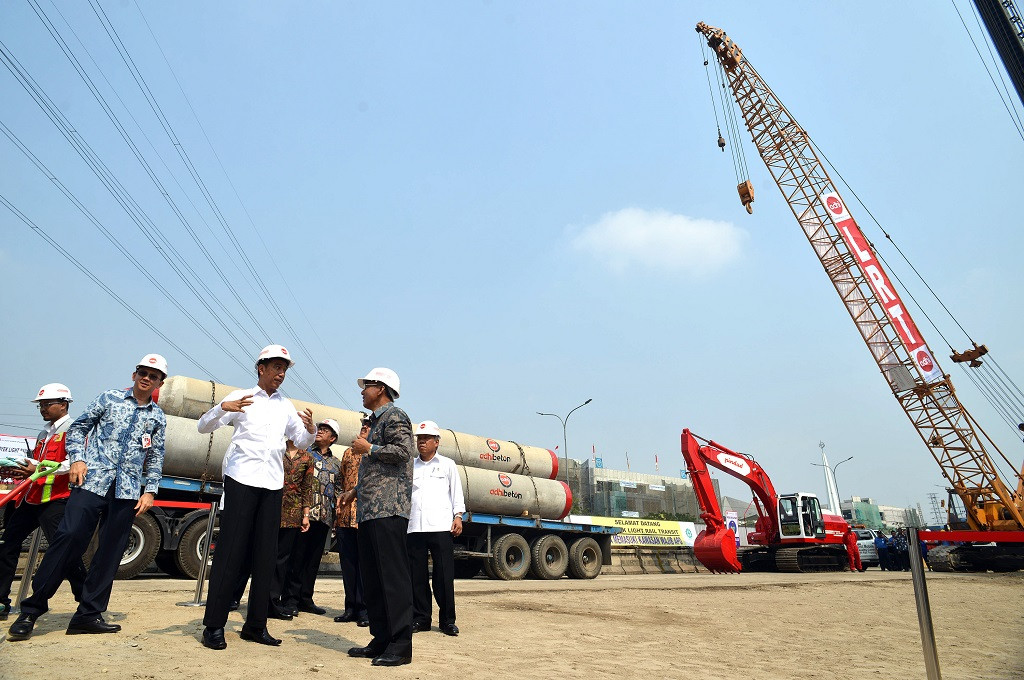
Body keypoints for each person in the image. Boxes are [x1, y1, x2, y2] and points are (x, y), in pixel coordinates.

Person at [7, 355, 168, 641]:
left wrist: (150, 490)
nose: (147, 378)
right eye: (143, 372)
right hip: (91, 482)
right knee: (68, 538)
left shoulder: (157, 417)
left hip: (127, 490)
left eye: (153, 376)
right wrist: (78, 459)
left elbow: (155, 455)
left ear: (160, 383)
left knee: (110, 553)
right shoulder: (109, 398)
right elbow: (79, 428)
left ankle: (88, 615)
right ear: (134, 375)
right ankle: (31, 611)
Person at [197, 344, 315, 650]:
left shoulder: (286, 406)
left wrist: (311, 430)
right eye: (276, 367)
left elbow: (301, 441)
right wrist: (223, 408)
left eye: (284, 369)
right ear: (261, 368)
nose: (281, 374)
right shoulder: (241, 397)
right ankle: (214, 626)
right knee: (231, 553)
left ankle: (256, 625)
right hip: (242, 480)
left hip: (272, 484)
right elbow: (202, 426)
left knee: (265, 557)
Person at [0, 384, 87, 620]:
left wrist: (37, 468)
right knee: (7, 544)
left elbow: (74, 464)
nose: (43, 409)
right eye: (41, 405)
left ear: (64, 404)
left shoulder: (74, 430)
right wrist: (21, 468)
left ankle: (86, 600)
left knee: (64, 552)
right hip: (32, 499)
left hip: (56, 501)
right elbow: (37, 464)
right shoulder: (42, 434)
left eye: (47, 404)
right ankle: (1, 602)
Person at [346, 367, 415, 667]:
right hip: (370, 510)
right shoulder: (374, 422)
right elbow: (376, 470)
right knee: (373, 579)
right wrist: (354, 492)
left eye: (367, 385)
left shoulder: (395, 416)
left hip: (389, 508)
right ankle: (381, 638)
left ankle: (400, 645)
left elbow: (403, 452)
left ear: (381, 389)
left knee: (392, 579)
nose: (362, 391)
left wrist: (369, 447)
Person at [407, 420, 465, 636]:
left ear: (437, 442)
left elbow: (456, 492)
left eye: (426, 438)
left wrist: (458, 516)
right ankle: (421, 618)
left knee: (443, 575)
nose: (421, 442)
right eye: (419, 439)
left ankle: (447, 620)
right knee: (417, 576)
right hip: (415, 526)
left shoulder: (447, 464)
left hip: (441, 526)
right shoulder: (410, 466)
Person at [280, 419, 341, 616]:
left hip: (324, 518)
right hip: (303, 516)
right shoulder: (305, 453)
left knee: (313, 561)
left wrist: (336, 516)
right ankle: (290, 599)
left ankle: (306, 599)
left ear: (333, 438)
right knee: (296, 558)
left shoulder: (336, 463)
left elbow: (338, 491)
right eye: (320, 428)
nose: (320, 431)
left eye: (326, 430)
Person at [268, 439, 314, 620]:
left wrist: (306, 515)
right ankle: (260, 600)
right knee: (265, 556)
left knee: (282, 559)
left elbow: (307, 488)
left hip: (292, 513)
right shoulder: (277, 448)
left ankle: (273, 601)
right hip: (271, 508)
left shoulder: (307, 457)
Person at [334, 415, 370, 627]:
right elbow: (340, 480)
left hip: (364, 516)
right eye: (363, 424)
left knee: (364, 565)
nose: (364, 427)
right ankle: (350, 608)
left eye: (369, 425)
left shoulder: (374, 453)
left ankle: (364, 609)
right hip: (345, 517)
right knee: (347, 564)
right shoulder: (348, 452)